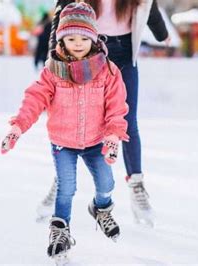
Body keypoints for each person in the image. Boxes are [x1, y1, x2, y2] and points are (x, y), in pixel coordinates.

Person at [1, 2, 129, 259]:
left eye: (83, 37)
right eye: (71, 38)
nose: (78, 43)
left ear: (93, 37)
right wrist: (18, 126)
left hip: (96, 141)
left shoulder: (108, 71)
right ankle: (60, 229)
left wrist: (113, 134)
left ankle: (101, 209)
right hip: (63, 142)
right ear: (61, 38)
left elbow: (116, 107)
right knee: (66, 187)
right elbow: (34, 100)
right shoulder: (52, 71)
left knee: (107, 183)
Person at [37, 0, 170, 227]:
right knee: (76, 116)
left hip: (125, 51)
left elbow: (149, 5)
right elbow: (62, 12)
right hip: (87, 50)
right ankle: (60, 181)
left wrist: (161, 33)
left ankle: (137, 186)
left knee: (126, 121)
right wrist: (54, 57)